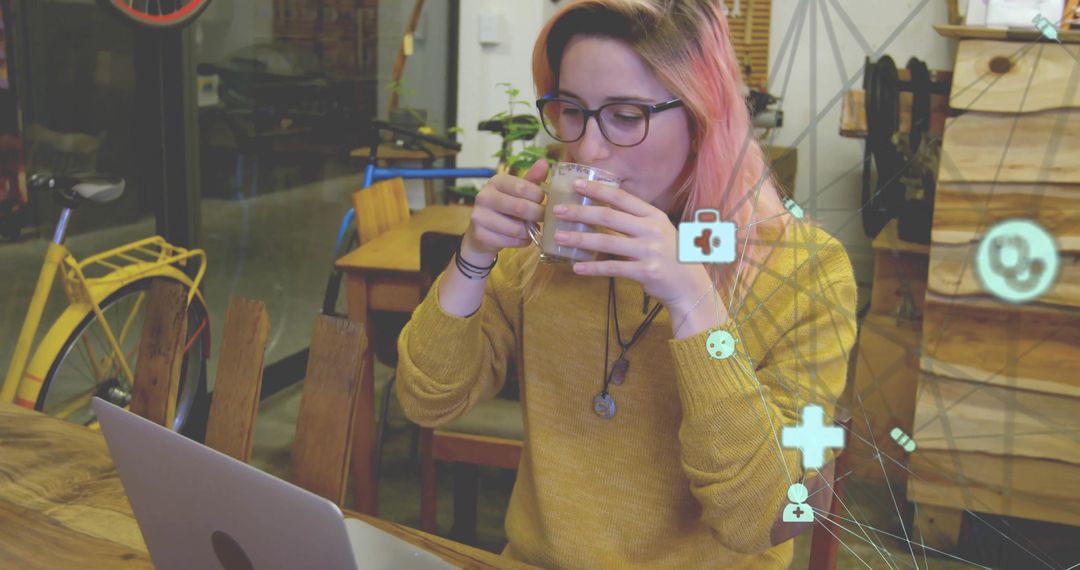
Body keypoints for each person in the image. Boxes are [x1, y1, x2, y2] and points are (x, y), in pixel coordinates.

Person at [396, 1, 857, 568]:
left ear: (701, 114)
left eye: (626, 115)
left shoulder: (805, 270)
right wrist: (473, 258)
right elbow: (426, 400)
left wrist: (694, 302)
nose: (588, 149)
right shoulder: (547, 243)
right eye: (571, 110)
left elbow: (761, 517)